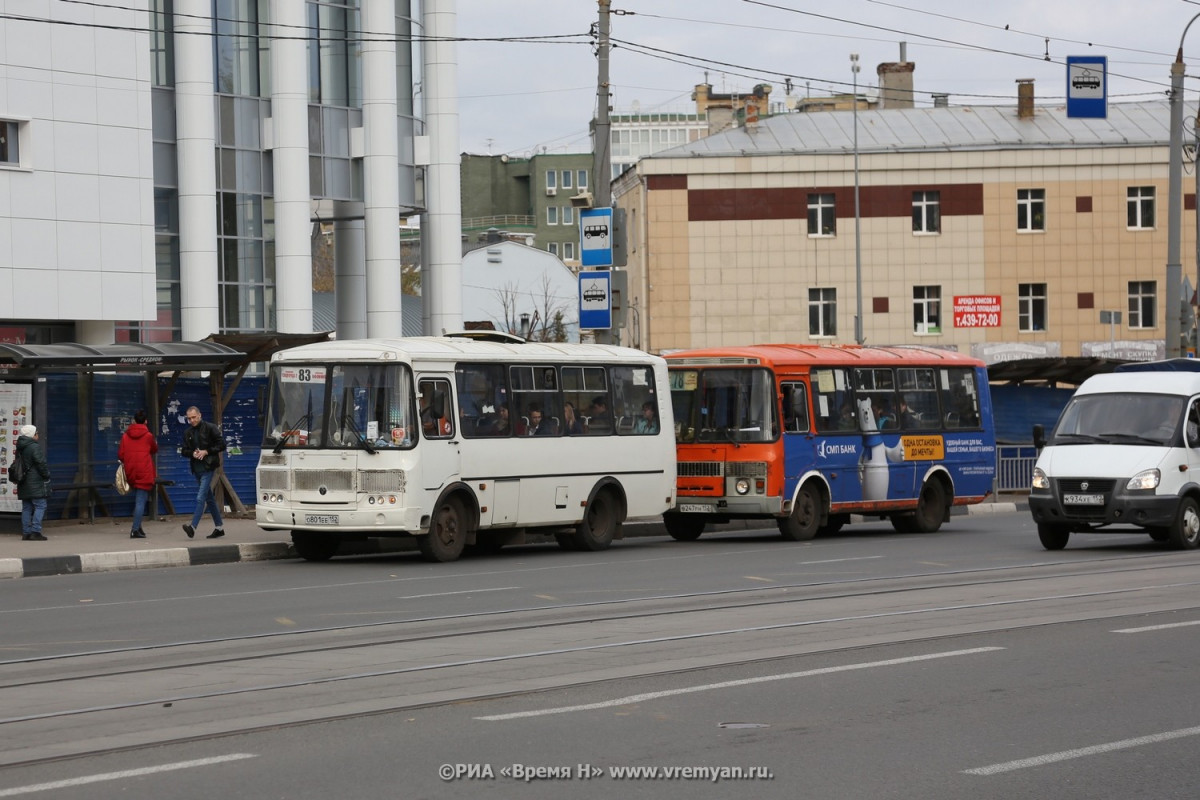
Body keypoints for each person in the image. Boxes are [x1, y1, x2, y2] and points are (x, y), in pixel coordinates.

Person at [180, 405, 226, 539]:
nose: (192, 420)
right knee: (209, 498)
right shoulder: (187, 432)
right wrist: (192, 453)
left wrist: (206, 451)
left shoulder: (210, 428)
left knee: (200, 498)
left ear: (199, 415)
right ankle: (219, 528)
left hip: (208, 467)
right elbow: (184, 451)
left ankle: (192, 527)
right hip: (196, 469)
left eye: (194, 417)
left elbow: (222, 444)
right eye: (189, 418)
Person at [118, 409, 158, 539]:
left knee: (139, 500)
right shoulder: (148, 436)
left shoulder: (125, 436)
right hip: (144, 471)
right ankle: (135, 530)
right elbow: (154, 449)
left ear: (134, 421)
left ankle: (139, 527)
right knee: (140, 501)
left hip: (131, 471)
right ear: (146, 421)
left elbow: (121, 454)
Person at [15, 424, 50, 541]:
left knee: (27, 507)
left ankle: (26, 533)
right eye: (36, 433)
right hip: (35, 481)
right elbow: (41, 463)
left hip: (23, 481)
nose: (38, 435)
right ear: (32, 435)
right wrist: (46, 475)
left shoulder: (20, 447)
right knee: (40, 505)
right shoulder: (34, 447)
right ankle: (35, 531)